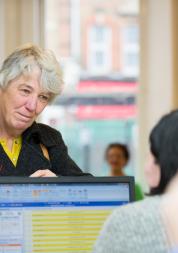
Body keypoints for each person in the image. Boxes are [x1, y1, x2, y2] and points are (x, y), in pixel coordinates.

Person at [94, 110, 178, 253]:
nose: (114, 160)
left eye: (118, 156)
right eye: (111, 156)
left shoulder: (127, 219)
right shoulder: (97, 182)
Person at [0, 43, 89, 177]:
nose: (32, 106)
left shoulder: (49, 139)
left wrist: (59, 186)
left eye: (43, 97)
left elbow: (89, 187)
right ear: (2, 87)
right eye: (25, 90)